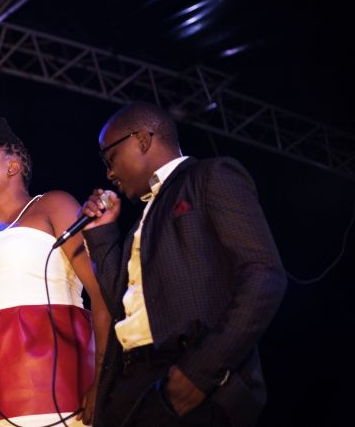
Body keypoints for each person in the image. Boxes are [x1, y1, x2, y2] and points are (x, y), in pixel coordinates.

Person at [77, 101, 287, 427]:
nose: (109, 172)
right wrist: (101, 234)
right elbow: (118, 300)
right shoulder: (142, 220)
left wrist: (201, 371)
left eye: (110, 157)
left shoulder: (210, 176)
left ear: (142, 140)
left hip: (186, 374)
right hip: (132, 385)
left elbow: (265, 274)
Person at [0, 114, 111, 427]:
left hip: (58, 381)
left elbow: (101, 290)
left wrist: (102, 381)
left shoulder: (52, 205)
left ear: (12, 166)